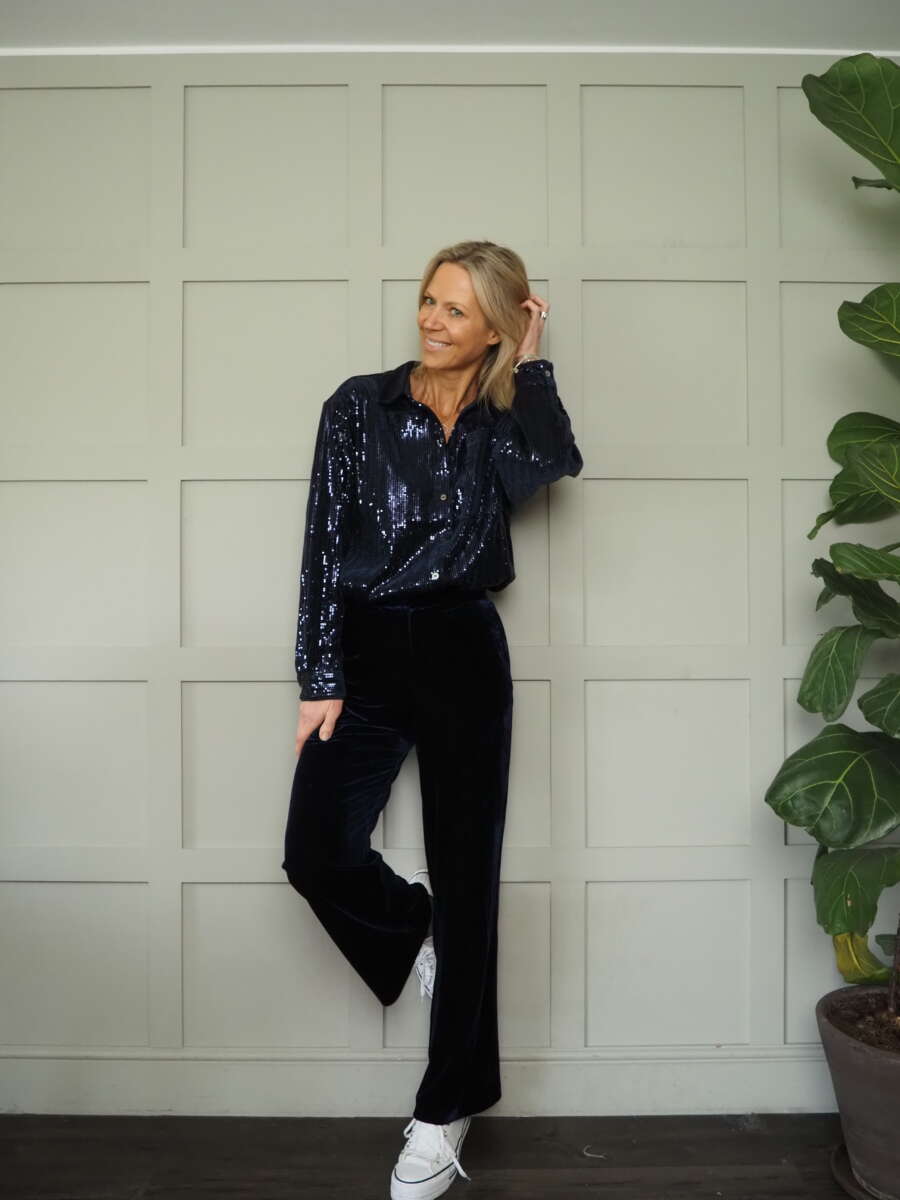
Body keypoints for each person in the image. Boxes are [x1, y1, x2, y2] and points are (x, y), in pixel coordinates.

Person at [281, 239, 583, 1199]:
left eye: (456, 309)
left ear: (493, 327)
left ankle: (446, 1106)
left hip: (462, 648)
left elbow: (553, 463)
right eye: (428, 300)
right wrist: (319, 675)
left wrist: (533, 366)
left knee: (470, 877)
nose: (431, 319)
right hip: (368, 650)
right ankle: (419, 929)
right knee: (315, 850)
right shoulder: (358, 406)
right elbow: (323, 544)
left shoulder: (503, 419)